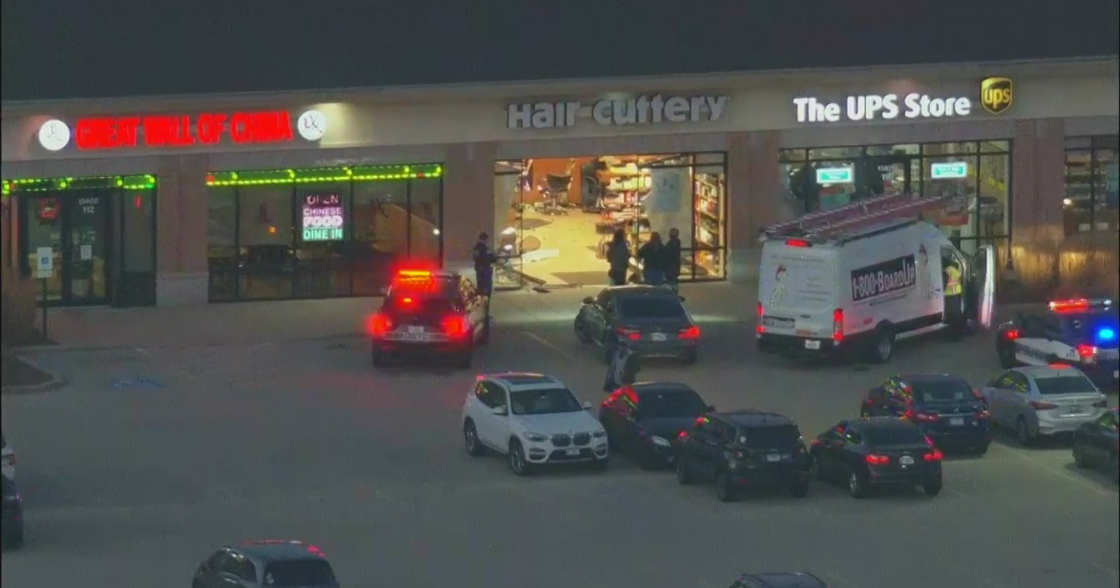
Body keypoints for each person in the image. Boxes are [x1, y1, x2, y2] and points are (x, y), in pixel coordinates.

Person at [664, 228, 683, 292]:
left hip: (670, 267)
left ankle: (672, 292)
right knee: (674, 281)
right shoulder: (677, 244)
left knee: (670, 282)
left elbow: (667, 255)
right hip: (675, 266)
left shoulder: (670, 244)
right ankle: (674, 292)